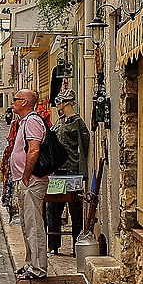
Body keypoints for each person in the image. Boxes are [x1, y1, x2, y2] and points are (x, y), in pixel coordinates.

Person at [11, 89, 49, 279]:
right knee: (27, 224)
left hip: (31, 180)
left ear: (25, 102)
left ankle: (38, 268)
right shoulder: (24, 122)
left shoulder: (32, 121)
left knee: (33, 224)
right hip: (26, 180)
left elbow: (33, 150)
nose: (13, 102)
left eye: (15, 99)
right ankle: (30, 263)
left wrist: (26, 175)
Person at [47, 88, 90, 254]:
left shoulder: (77, 123)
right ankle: (54, 244)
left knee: (76, 211)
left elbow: (83, 146)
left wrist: (82, 170)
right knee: (54, 209)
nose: (58, 106)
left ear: (67, 103)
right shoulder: (59, 122)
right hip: (57, 171)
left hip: (72, 170)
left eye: (60, 103)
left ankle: (76, 244)